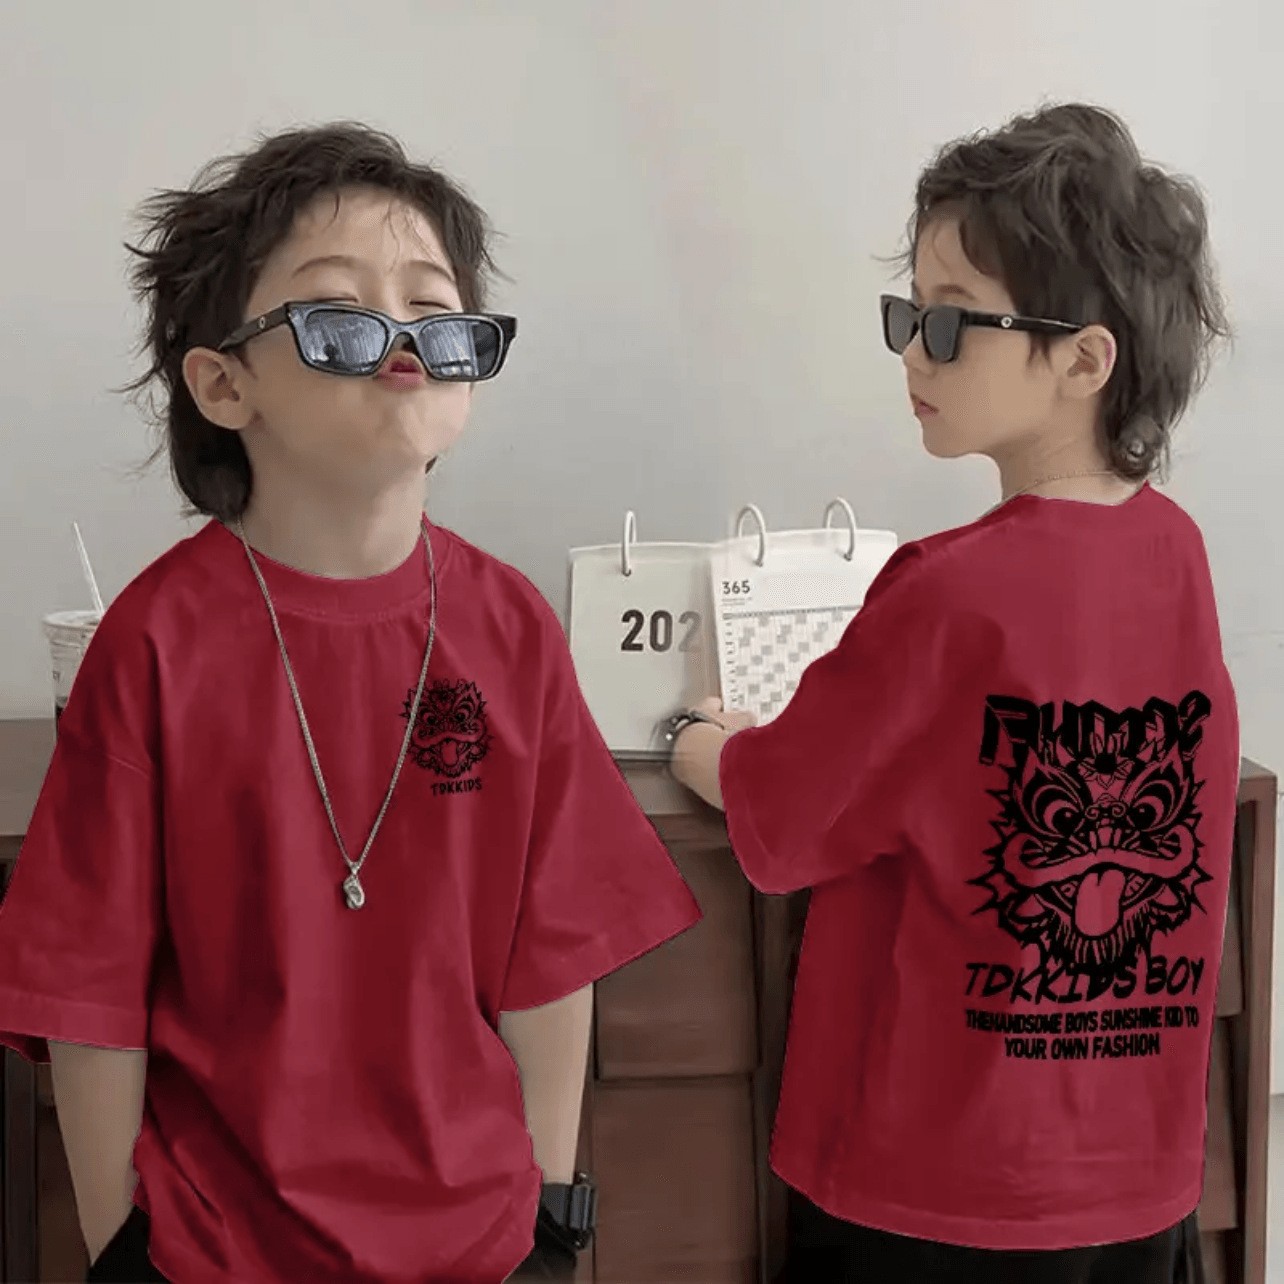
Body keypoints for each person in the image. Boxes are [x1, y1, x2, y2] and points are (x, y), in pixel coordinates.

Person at [0, 122, 702, 1283]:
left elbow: (551, 955)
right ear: (225, 385)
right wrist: (118, 1244)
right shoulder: (153, 646)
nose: (404, 340)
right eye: (340, 312)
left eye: (434, 310)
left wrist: (551, 1215)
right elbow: (90, 990)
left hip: (480, 1239)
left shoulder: (512, 626)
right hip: (218, 1246)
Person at [669, 102, 1235, 1284]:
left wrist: (701, 742)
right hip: (1134, 1178)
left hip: (940, 1193)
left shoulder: (947, 591)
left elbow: (784, 819)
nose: (914, 355)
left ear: (1083, 360)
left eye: (947, 322)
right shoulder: (1177, 554)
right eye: (907, 315)